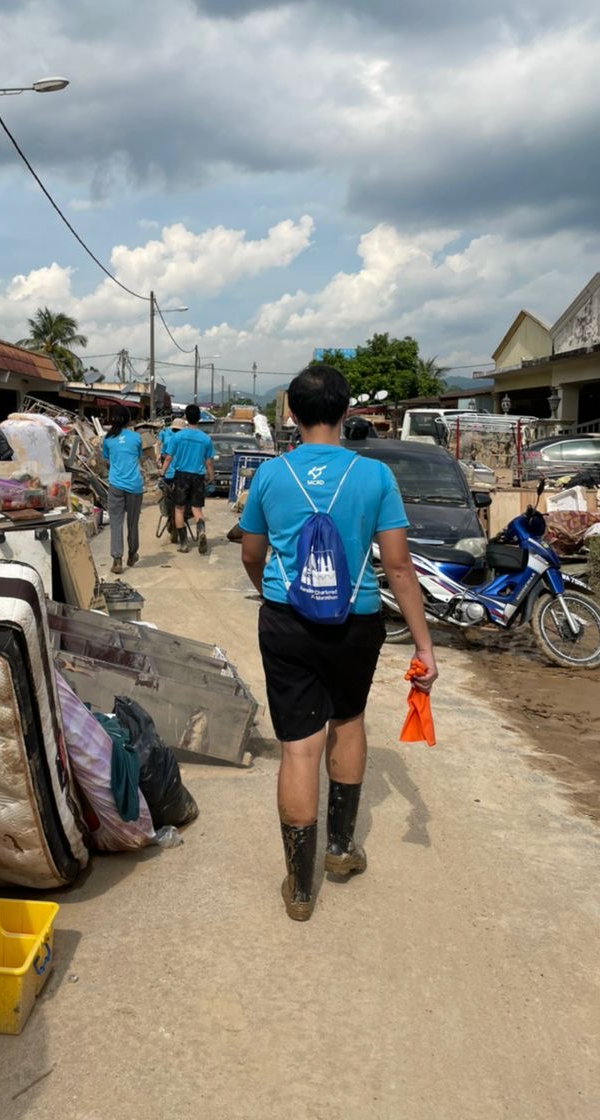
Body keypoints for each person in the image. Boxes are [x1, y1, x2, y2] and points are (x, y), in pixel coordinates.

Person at [239, 364, 437, 922]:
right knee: (348, 721)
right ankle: (342, 849)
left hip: (286, 621)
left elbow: (252, 555)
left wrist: (275, 596)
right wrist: (424, 646)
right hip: (357, 622)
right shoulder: (374, 477)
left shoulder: (271, 478)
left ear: (293, 415)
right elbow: (398, 567)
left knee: (299, 746)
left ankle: (301, 888)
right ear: (347, 412)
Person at [161, 404, 215, 554]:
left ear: (186, 418)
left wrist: (162, 473)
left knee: (179, 509)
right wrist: (211, 476)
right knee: (197, 509)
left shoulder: (178, 437)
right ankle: (201, 531)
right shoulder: (205, 439)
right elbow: (209, 462)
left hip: (181, 476)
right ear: (199, 418)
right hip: (198, 476)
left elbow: (168, 457)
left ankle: (184, 544)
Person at [101, 406, 143, 574]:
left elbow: (107, 460)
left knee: (116, 523)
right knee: (133, 523)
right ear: (128, 420)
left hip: (116, 485)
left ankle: (117, 559)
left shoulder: (107, 439)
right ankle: (132, 554)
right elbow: (138, 456)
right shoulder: (136, 437)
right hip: (135, 486)